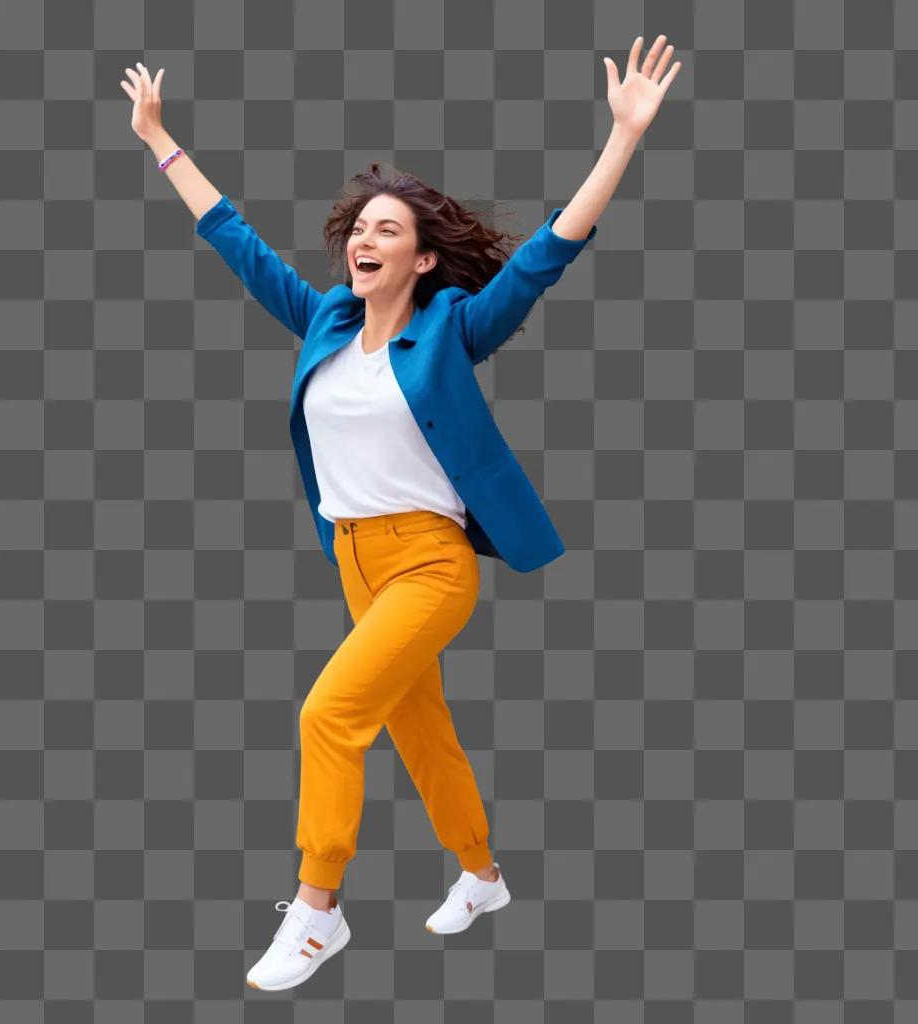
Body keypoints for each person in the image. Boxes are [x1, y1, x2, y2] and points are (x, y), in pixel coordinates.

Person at [121, 34, 681, 993]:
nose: (362, 241)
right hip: (355, 560)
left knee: (329, 716)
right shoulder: (327, 323)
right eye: (357, 229)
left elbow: (545, 257)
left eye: (386, 232)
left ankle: (317, 910)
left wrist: (622, 139)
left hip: (429, 563)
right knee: (420, 730)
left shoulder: (453, 331)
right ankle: (482, 875)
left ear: (422, 261)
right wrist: (159, 138)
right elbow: (235, 239)